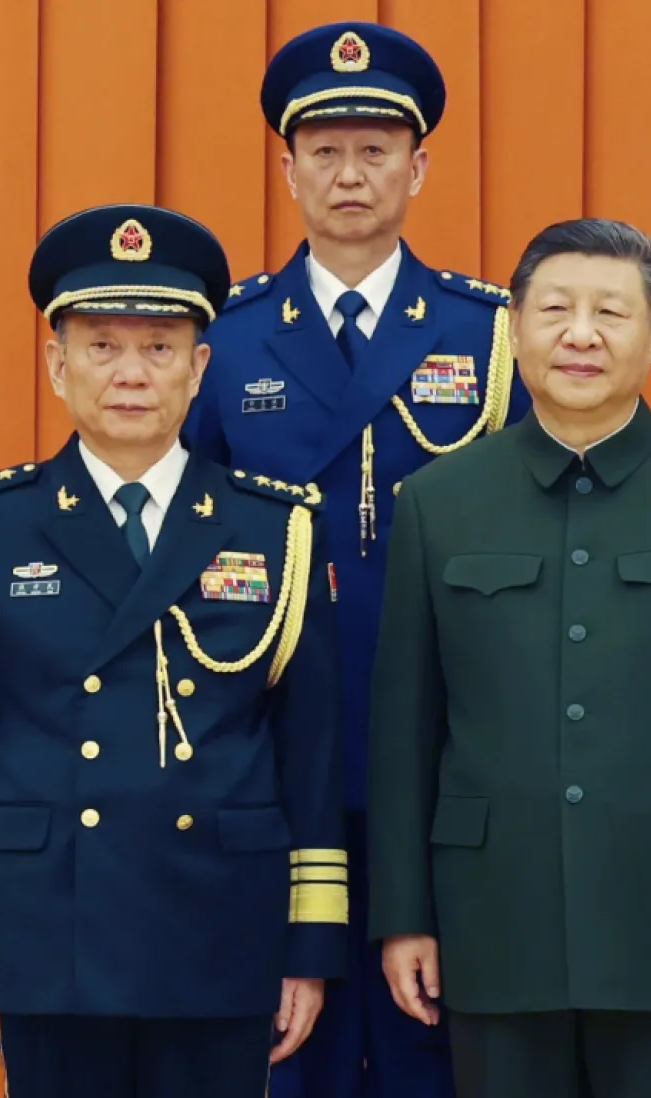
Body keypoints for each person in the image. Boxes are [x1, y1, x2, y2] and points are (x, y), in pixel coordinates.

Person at [363, 218, 651, 1098]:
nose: (581, 334)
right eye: (555, 309)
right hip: (496, 922)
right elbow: (404, 733)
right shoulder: (439, 502)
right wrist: (402, 918)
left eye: (612, 312)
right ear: (513, 329)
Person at [0, 203, 346, 1098]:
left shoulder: (277, 525)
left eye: (158, 347)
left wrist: (308, 945)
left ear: (200, 368)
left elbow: (310, 751)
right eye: (101, 347)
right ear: (56, 365)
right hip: (50, 930)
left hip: (221, 923)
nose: (130, 374)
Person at [182, 21, 531, 1098]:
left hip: (445, 737)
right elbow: (186, 535)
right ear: (285, 165)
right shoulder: (226, 336)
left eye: (376, 147)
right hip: (277, 737)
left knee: (439, 1032)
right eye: (324, 148)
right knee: (292, 1040)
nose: (349, 172)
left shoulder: (491, 333)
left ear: (419, 165)